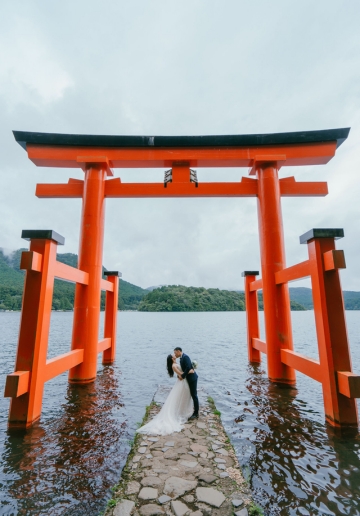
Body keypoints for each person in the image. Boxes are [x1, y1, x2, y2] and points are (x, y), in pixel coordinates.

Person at [136, 354, 194, 436]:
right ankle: (180, 413)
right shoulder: (174, 365)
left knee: (183, 398)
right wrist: (190, 371)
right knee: (181, 397)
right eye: (173, 355)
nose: (174, 355)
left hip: (183, 382)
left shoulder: (176, 363)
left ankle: (182, 411)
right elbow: (181, 375)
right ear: (172, 358)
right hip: (182, 383)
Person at [174, 346, 199, 420]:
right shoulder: (181, 358)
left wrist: (182, 376)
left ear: (179, 351)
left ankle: (196, 413)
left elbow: (188, 367)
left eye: (175, 353)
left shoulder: (185, 357)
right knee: (192, 395)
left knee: (194, 395)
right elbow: (184, 369)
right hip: (188, 378)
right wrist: (180, 375)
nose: (175, 355)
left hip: (192, 379)